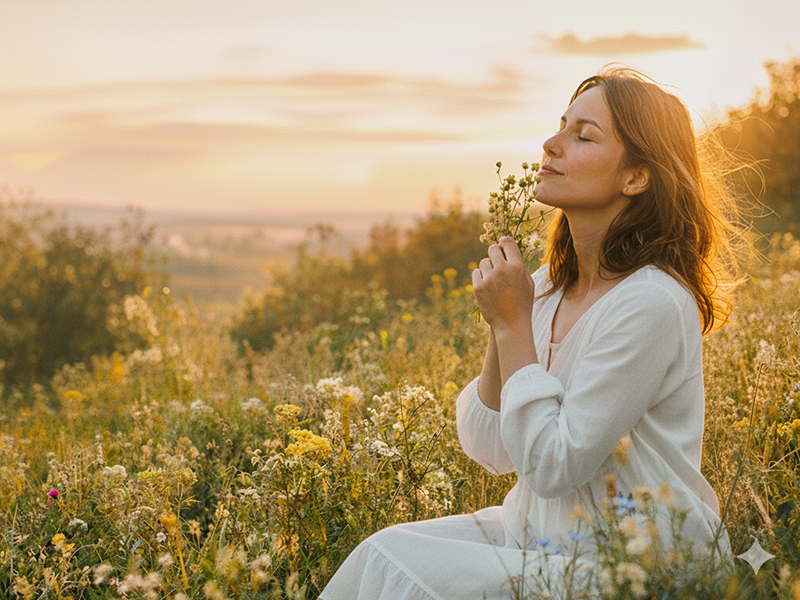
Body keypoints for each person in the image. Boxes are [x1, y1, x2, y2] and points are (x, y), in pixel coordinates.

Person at [319, 67, 740, 600]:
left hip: (632, 561)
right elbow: (493, 448)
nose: (551, 144)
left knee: (404, 574)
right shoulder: (546, 286)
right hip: (541, 533)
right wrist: (506, 324)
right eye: (560, 126)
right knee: (377, 555)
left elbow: (551, 464)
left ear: (636, 178)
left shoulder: (651, 302)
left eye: (583, 136)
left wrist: (514, 324)